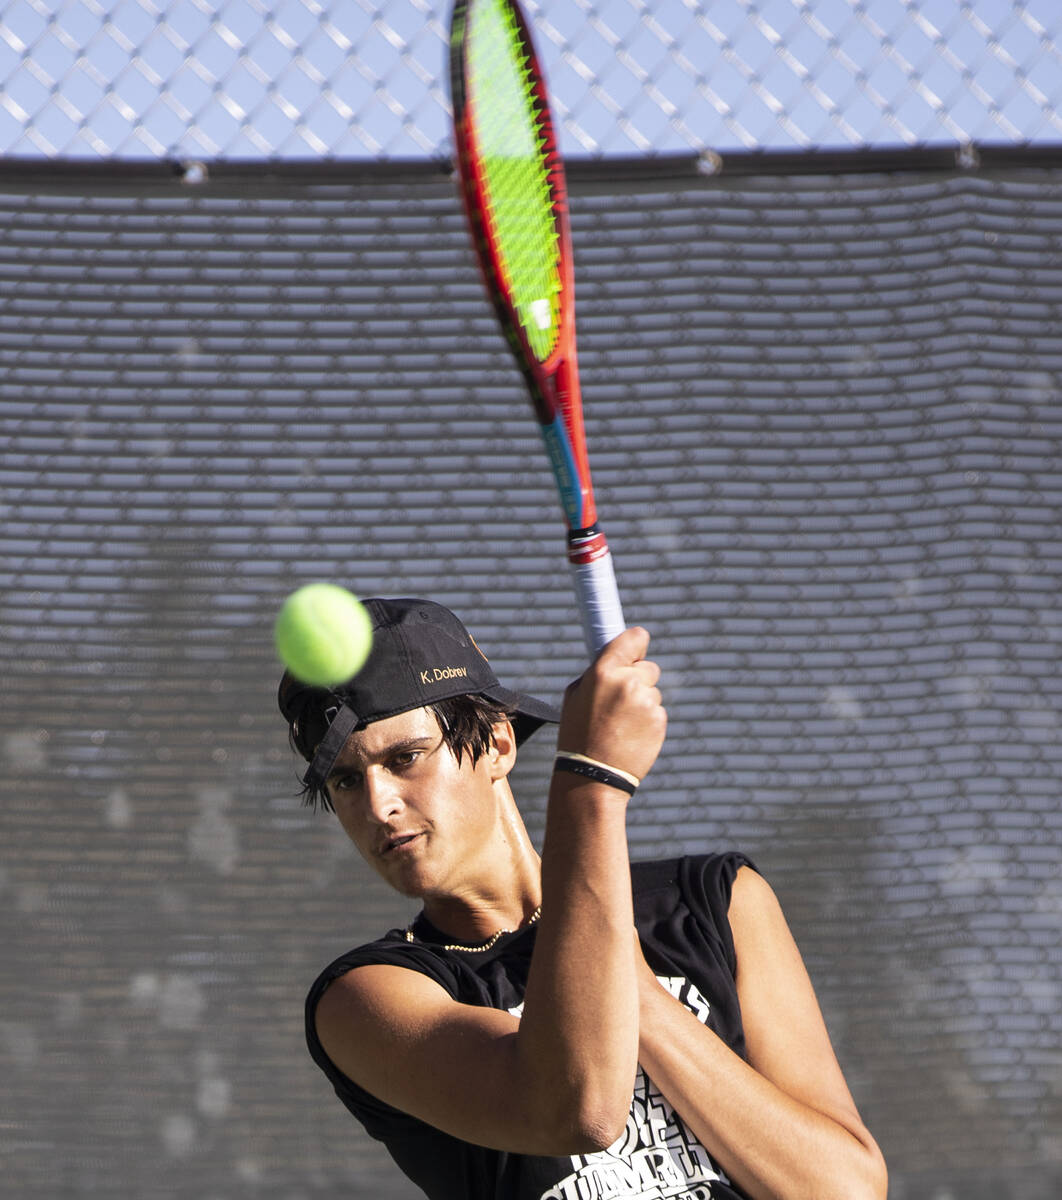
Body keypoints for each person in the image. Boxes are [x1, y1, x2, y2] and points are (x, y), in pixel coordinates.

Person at [278, 597, 887, 1200]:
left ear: (497, 744)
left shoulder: (717, 901)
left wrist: (623, 974)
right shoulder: (367, 998)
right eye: (347, 780)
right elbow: (576, 1111)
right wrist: (591, 783)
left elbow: (844, 1190)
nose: (378, 805)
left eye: (404, 758)